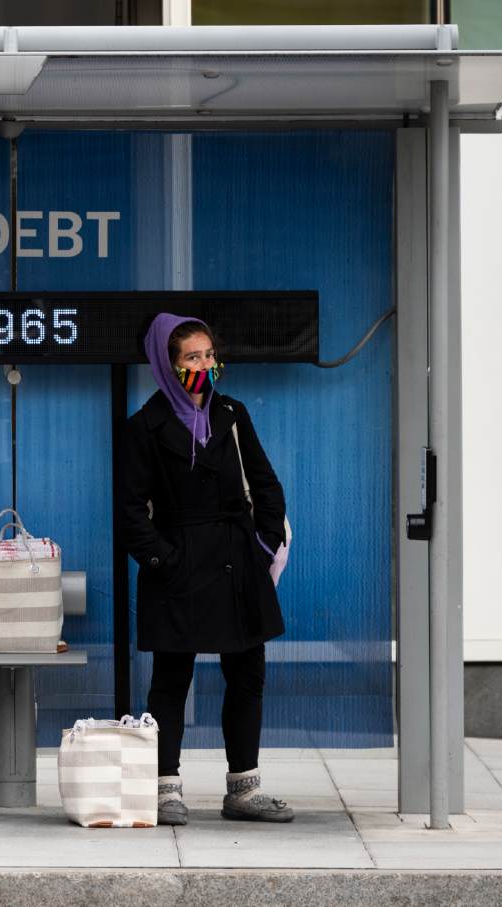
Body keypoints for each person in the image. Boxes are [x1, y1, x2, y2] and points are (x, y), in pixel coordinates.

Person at [118, 313, 293, 825]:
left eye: (208, 355)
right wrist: (162, 561)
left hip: (239, 561)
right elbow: (130, 509)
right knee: (171, 679)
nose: (204, 365)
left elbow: (266, 485)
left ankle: (243, 789)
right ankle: (165, 788)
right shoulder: (144, 426)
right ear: (167, 364)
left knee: (247, 674)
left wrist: (262, 546)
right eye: (191, 357)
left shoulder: (233, 415)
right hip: (179, 564)